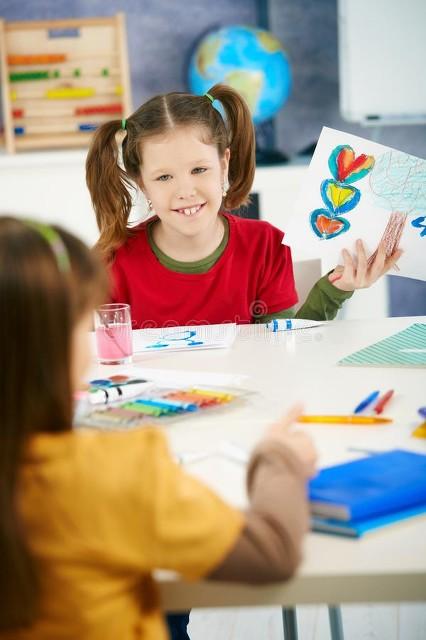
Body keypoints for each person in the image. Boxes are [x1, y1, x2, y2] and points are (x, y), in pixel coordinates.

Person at [0, 215, 317, 639]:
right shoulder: (118, 472)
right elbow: (271, 552)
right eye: (85, 322)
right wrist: (279, 457)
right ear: (59, 344)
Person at [86, 83, 402, 330]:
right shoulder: (111, 263)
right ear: (142, 183)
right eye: (164, 177)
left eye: (199, 169)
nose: (185, 191)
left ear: (224, 164)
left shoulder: (266, 246)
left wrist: (336, 288)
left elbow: (286, 351)